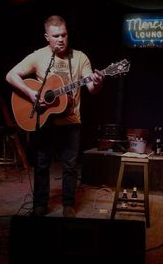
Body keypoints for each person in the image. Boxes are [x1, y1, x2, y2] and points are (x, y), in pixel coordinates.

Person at [6, 15, 104, 217]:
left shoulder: (80, 58)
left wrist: (98, 81)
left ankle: (68, 204)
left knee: (70, 165)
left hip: (71, 120)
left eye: (64, 35)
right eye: (56, 36)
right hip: (44, 120)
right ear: (47, 37)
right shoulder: (38, 56)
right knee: (42, 163)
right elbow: (11, 75)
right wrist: (30, 92)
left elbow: (91, 88)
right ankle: (40, 204)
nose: (61, 39)